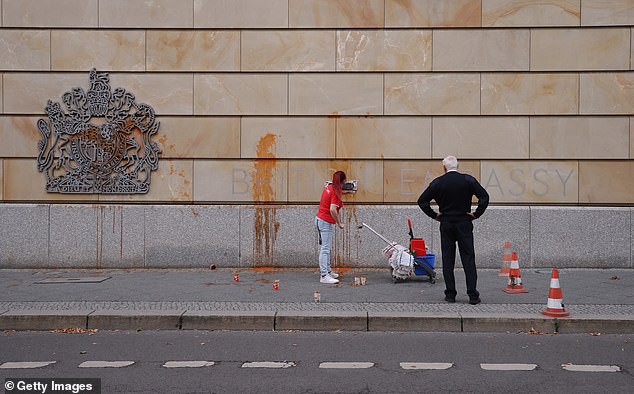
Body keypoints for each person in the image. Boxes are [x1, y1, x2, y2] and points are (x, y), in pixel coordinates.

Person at [417, 156, 489, 305]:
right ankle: (473, 295)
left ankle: (450, 294)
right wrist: (476, 213)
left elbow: (422, 201)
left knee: (448, 259)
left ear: (444, 168)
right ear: (458, 166)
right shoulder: (468, 180)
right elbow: (484, 196)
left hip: (446, 223)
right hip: (464, 222)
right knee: (468, 258)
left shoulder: (438, 182)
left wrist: (435, 215)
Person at [315, 171, 347, 284]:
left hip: (320, 219)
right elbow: (332, 209)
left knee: (326, 248)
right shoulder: (335, 193)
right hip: (325, 221)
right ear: (342, 181)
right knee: (325, 249)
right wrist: (339, 223)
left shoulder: (328, 187)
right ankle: (324, 275)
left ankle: (328, 271)